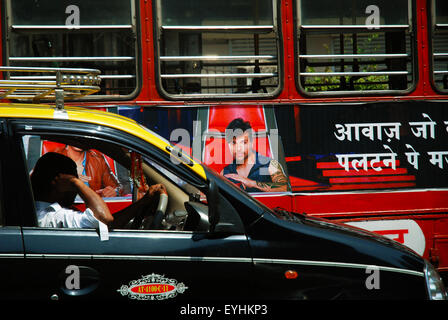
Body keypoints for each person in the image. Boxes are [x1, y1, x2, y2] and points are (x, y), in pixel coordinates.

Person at [31, 152, 166, 229]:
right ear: (61, 184)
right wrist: (76, 182)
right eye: (72, 183)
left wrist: (142, 202)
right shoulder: (50, 217)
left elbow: (111, 223)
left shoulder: (54, 213)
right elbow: (103, 218)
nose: (75, 191)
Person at [220, 118, 289, 192]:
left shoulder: (269, 165)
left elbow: (285, 187)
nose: (238, 148)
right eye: (234, 143)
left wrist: (252, 183)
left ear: (251, 143)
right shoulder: (225, 172)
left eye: (244, 142)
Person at [52, 144, 122, 198]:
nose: (78, 141)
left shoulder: (98, 159)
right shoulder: (55, 156)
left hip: (91, 210)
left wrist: (115, 192)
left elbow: (118, 187)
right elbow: (44, 186)